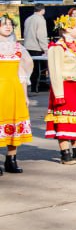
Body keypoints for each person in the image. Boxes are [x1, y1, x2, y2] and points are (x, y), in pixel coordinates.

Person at [44, 15, 76, 164]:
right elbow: (55, 71)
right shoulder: (57, 47)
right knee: (65, 119)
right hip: (66, 86)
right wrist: (59, 93)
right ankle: (65, 152)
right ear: (66, 29)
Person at [0, 13, 34, 174]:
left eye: (10, 24)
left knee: (14, 124)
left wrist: (25, 94)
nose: (7, 26)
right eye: (3, 24)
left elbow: (23, 73)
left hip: (14, 90)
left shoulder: (18, 48)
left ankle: (11, 159)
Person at [22, 5, 48, 95]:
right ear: (43, 10)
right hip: (36, 47)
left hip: (27, 46)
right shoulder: (40, 19)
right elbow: (41, 35)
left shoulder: (28, 19)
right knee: (39, 69)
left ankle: (32, 87)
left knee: (30, 68)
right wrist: (45, 48)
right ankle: (37, 87)